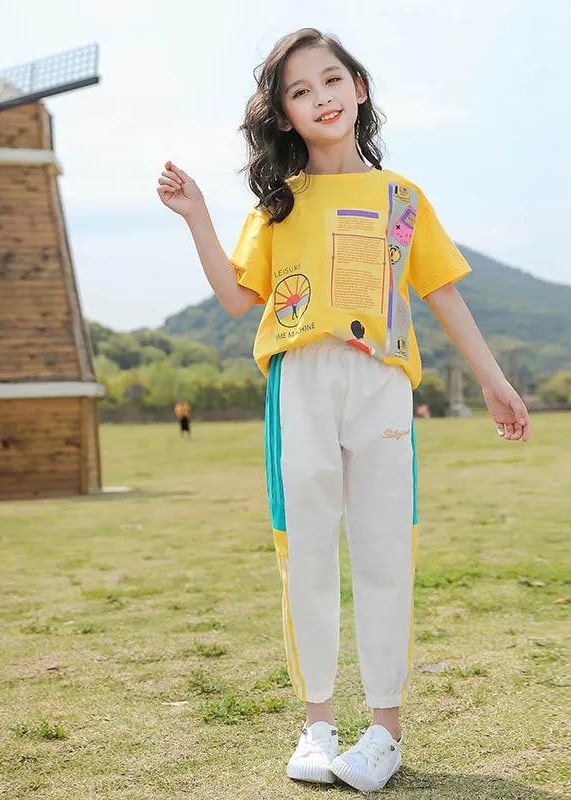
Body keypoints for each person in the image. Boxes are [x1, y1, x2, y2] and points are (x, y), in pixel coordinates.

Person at [156, 28, 531, 794]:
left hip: (383, 383)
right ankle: (318, 724)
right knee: (307, 551)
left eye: (332, 80)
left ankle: (384, 731)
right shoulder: (279, 205)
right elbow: (236, 298)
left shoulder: (402, 199)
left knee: (386, 549)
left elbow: (443, 294)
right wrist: (196, 215)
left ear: (358, 88)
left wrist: (493, 381)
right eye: (300, 91)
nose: (321, 97)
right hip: (300, 380)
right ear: (284, 115)